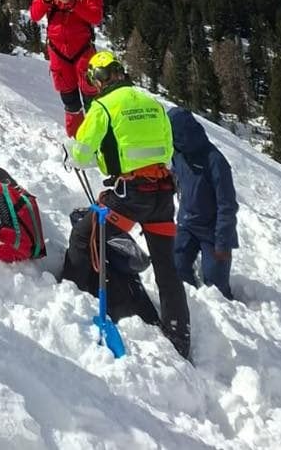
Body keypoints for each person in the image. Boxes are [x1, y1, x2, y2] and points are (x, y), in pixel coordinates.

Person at [62, 51, 191, 358]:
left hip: (130, 195)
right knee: (166, 267)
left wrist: (71, 152)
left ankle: (70, 295)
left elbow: (81, 153)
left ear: (97, 79)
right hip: (162, 193)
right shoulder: (152, 102)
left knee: (85, 235)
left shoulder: (103, 107)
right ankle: (179, 335)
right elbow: (167, 149)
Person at [30, 0, 104, 135]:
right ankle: (77, 140)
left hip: (82, 48)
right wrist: (44, 0)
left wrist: (73, 3)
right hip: (58, 50)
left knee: (92, 96)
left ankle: (99, 137)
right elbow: (35, 15)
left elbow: (96, 17)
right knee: (70, 102)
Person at [169, 108, 238, 300]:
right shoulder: (178, 152)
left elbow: (228, 206)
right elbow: (176, 174)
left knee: (216, 289)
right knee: (176, 270)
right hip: (186, 224)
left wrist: (223, 243)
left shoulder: (215, 161)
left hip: (213, 231)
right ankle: (192, 306)